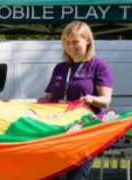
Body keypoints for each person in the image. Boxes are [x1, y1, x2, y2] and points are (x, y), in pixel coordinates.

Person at [39, 20, 115, 180]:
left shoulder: (99, 66)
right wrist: (24, 104)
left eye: (75, 42)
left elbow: (106, 100)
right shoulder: (60, 68)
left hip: (85, 131)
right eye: (66, 42)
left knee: (77, 177)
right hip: (57, 130)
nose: (70, 46)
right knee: (47, 175)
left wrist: (90, 98)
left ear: (87, 40)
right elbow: (47, 98)